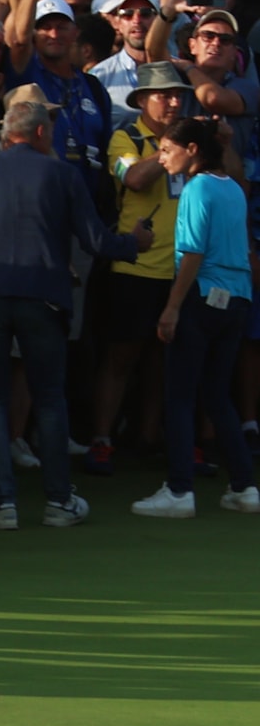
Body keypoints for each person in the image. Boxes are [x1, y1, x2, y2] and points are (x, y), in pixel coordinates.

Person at [0, 84, 126, 532]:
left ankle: (2, 501)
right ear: (42, 131)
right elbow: (96, 240)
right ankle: (58, 500)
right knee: (48, 396)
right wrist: (134, 243)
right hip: (44, 295)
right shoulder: (62, 175)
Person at [138, 115, 260, 516]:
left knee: (179, 396)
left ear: (192, 150)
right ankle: (244, 486)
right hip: (236, 300)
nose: (162, 157)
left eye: (168, 150)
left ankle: (178, 491)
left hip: (201, 299)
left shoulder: (196, 188)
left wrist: (172, 307)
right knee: (216, 394)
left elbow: (193, 253)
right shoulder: (235, 190)